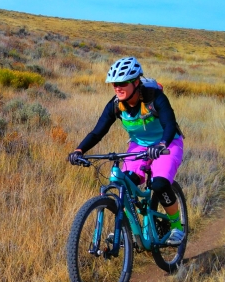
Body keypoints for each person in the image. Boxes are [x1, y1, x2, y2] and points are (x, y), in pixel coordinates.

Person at [67, 57, 185, 245]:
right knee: (124, 183)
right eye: (114, 83)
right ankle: (127, 231)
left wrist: (162, 145)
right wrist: (79, 149)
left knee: (160, 184)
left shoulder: (155, 98)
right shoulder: (116, 104)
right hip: (138, 146)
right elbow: (98, 131)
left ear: (136, 82)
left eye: (122, 83)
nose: (117, 87)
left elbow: (169, 124)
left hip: (167, 144)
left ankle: (177, 226)